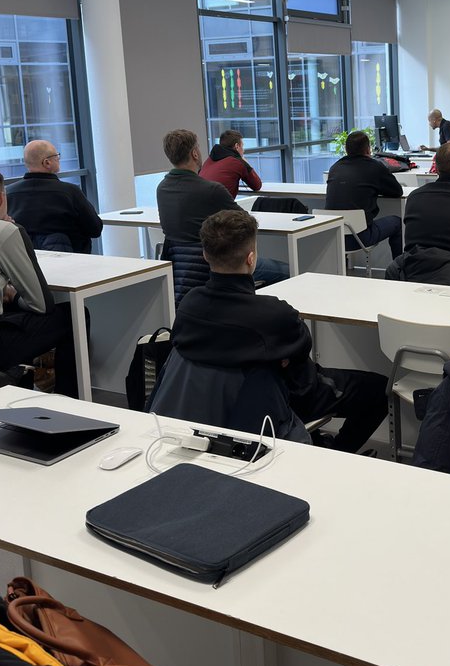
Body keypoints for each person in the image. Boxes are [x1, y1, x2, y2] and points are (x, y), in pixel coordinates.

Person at [167, 210, 387, 453]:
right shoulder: (274, 314)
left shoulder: (189, 305)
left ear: (205, 255)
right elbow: (302, 349)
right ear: (251, 259)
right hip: (284, 401)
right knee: (379, 390)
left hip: (211, 407)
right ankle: (338, 452)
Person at [0, 166, 78, 396]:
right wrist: (12, 295)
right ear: (2, 197)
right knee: (72, 317)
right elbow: (41, 303)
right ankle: (69, 399)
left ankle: (23, 383)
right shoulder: (5, 230)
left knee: (16, 320)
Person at [156, 129, 287, 289]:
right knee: (288, 270)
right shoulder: (211, 190)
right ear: (195, 153)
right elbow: (247, 223)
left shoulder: (162, 189)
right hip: (222, 268)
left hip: (181, 277)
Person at [5, 140, 103, 253]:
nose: (58, 159)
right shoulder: (70, 192)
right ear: (47, 163)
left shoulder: (9, 193)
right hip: (72, 263)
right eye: (56, 156)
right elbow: (95, 229)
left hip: (27, 265)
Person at [325, 130, 404, 259]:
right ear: (368, 150)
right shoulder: (375, 167)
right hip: (360, 237)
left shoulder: (335, 168)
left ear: (346, 149)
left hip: (333, 236)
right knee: (397, 222)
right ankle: (399, 270)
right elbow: (397, 191)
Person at [200, 129, 262, 199]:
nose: (243, 150)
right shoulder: (237, 162)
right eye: (242, 146)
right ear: (237, 146)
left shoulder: (209, 159)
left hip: (200, 204)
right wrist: (246, 163)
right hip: (220, 208)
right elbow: (257, 185)